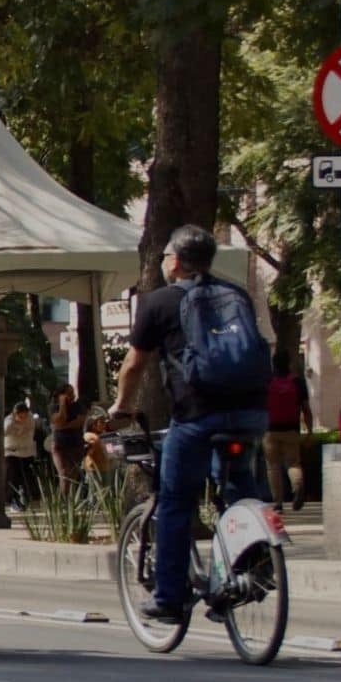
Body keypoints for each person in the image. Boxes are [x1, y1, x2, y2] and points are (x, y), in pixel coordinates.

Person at [111, 224, 270, 623]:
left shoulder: (158, 302)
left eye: (166, 255)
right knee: (239, 490)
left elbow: (134, 365)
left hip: (197, 416)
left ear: (176, 261)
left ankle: (168, 596)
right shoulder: (237, 295)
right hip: (250, 412)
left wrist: (121, 406)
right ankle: (251, 569)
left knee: (175, 500)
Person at [263, 351, 313, 512]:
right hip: (291, 429)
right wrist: (309, 430)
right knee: (293, 463)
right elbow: (306, 408)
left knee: (273, 467)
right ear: (289, 363)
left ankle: (278, 503)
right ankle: (297, 487)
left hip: (270, 430)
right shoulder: (298, 382)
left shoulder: (267, 381)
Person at [48, 384, 85, 495]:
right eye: (68, 393)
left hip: (76, 443)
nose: (72, 396)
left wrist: (63, 426)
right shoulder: (53, 407)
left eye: (73, 393)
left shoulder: (78, 406)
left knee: (73, 475)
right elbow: (60, 419)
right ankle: (63, 503)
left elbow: (80, 421)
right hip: (60, 445)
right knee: (64, 474)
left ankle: (71, 502)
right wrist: (62, 405)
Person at [2, 400, 36, 512]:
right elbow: (5, 431)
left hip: (27, 452)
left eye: (24, 416)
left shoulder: (30, 419)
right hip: (11, 452)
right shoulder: (8, 421)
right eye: (20, 416)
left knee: (27, 478)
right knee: (12, 478)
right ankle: (12, 501)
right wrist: (16, 424)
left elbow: (31, 429)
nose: (23, 419)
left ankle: (25, 500)